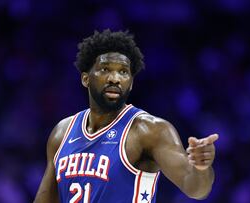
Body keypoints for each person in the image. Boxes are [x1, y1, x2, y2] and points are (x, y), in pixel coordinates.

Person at [34, 29, 219, 203]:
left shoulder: (149, 130)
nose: (114, 78)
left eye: (123, 72)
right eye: (105, 69)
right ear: (86, 79)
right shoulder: (62, 133)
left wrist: (201, 169)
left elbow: (195, 188)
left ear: (130, 83)